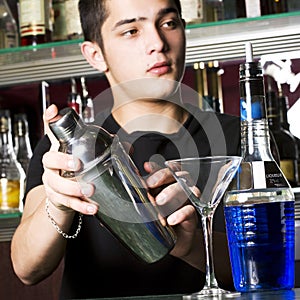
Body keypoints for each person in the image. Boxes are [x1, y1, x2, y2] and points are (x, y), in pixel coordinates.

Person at [11, 0, 240, 299]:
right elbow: (28, 269)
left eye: (168, 23)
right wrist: (59, 202)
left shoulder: (241, 137)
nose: (157, 43)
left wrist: (191, 246)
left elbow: (267, 269)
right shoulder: (67, 152)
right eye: (132, 30)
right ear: (96, 55)